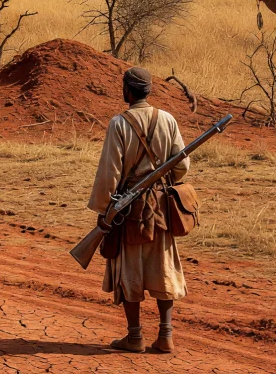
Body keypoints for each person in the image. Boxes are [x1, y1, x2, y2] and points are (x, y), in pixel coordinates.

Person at [88, 67, 188, 354]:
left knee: (128, 271)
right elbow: (181, 166)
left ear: (128, 91)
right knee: (163, 269)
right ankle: (165, 336)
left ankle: (135, 337)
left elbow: (110, 171)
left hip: (127, 209)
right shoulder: (167, 120)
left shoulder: (119, 123)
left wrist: (105, 210)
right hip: (161, 209)